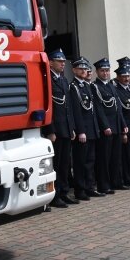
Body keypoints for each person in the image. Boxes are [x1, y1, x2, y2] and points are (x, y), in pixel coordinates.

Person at [42, 49, 79, 208]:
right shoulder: (47, 79)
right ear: (50, 62)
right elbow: (47, 106)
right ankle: (54, 196)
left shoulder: (63, 80)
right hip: (55, 130)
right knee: (55, 165)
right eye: (59, 61)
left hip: (66, 129)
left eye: (64, 61)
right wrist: (50, 130)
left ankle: (64, 192)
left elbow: (68, 107)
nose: (63, 63)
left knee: (65, 164)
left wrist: (72, 128)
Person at [69, 57, 103, 200]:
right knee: (80, 162)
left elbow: (92, 110)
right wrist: (81, 131)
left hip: (92, 130)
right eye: (81, 69)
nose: (84, 71)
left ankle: (90, 187)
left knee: (90, 161)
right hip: (83, 131)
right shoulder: (74, 87)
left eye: (85, 68)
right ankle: (80, 190)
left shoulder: (87, 86)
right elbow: (76, 111)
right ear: (74, 70)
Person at [91, 58, 127, 194]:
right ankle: (104, 185)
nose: (105, 73)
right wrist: (105, 126)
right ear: (97, 72)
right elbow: (99, 108)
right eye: (102, 71)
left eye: (107, 70)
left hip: (116, 125)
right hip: (106, 128)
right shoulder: (95, 87)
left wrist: (123, 124)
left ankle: (116, 182)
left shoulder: (111, 85)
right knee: (104, 159)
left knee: (116, 157)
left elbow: (118, 107)